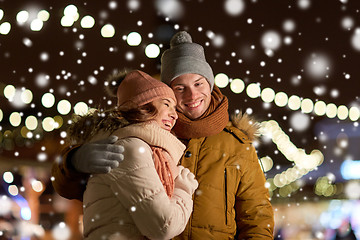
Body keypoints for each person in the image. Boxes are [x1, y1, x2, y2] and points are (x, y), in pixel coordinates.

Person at [52, 31, 274, 239]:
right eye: (179, 88)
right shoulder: (146, 131)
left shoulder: (236, 144)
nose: (192, 94)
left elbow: (256, 216)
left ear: (210, 84)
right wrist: (74, 161)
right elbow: (72, 189)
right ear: (168, 92)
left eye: (198, 83)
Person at [62, 69, 198, 240]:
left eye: (174, 107)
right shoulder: (129, 149)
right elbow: (163, 226)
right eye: (166, 104)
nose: (174, 115)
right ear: (143, 106)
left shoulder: (141, 147)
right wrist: (183, 189)